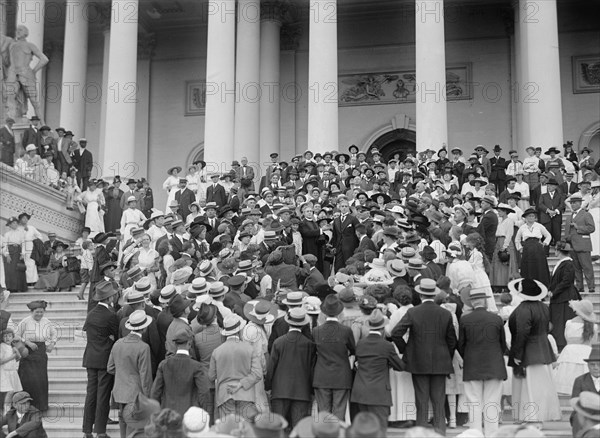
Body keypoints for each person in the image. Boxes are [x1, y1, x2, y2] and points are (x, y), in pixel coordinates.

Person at [391, 279, 457, 435]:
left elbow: (395, 333)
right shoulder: (445, 313)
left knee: (421, 402)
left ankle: (420, 433)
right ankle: (440, 433)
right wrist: (446, 355)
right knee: (439, 401)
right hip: (440, 360)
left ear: (420, 294)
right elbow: (452, 340)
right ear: (434, 295)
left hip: (418, 360)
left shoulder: (413, 312)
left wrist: (406, 350)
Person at [507, 278, 561, 425]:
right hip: (543, 348)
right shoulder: (543, 306)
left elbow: (522, 333)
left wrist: (517, 354)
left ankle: (531, 416)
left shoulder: (524, 309)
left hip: (529, 352)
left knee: (528, 386)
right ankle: (538, 416)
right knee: (541, 386)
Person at [458, 289, 507, 436]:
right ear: (485, 301)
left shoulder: (465, 319)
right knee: (492, 402)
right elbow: (502, 344)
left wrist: (468, 357)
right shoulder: (496, 319)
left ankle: (475, 434)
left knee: (474, 402)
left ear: (472, 302)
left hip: (473, 365)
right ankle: (492, 434)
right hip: (494, 364)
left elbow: (461, 345)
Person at [351, 309, 403, 431]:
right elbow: (400, 366)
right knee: (379, 429)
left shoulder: (361, 344)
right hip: (379, 393)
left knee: (364, 430)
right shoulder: (386, 346)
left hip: (360, 391)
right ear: (382, 327)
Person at [267, 307, 316, 429]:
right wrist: (311, 390)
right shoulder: (309, 345)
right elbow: (312, 370)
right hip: (302, 391)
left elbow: (271, 367)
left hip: (279, 390)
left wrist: (268, 386)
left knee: (277, 429)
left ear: (288, 322)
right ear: (304, 324)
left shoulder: (278, 342)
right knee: (298, 429)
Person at [82, 280, 119, 438]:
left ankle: (87, 431)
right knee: (103, 395)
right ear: (109, 298)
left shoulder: (91, 313)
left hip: (90, 357)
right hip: (104, 359)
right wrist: (109, 339)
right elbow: (116, 336)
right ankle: (100, 431)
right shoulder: (111, 315)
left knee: (91, 394)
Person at [107, 310, 153, 438]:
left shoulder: (118, 343)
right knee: (133, 433)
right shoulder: (143, 347)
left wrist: (123, 373)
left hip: (119, 393)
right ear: (143, 328)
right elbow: (145, 377)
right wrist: (148, 398)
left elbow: (110, 368)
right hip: (135, 395)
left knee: (123, 431)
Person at [208, 313, 261, 422]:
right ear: (240, 330)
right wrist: (240, 384)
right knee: (245, 430)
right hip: (246, 394)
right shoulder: (249, 349)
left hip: (225, 395)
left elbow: (211, 376)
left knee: (228, 430)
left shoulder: (217, 351)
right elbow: (257, 374)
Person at [312, 294, 356, 420]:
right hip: (341, 376)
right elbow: (353, 350)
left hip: (322, 376)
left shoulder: (316, 331)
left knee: (323, 414)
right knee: (339, 412)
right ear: (339, 312)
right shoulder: (346, 330)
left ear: (324, 312)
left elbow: (314, 351)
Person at [15, 300, 56, 412]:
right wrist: (27, 342)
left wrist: (52, 343)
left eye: (41, 312)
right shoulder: (25, 321)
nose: (39, 314)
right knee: (28, 380)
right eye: (37, 312)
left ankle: (41, 406)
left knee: (40, 379)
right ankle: (26, 405)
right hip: (28, 352)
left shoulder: (47, 321)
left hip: (41, 352)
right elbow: (16, 335)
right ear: (32, 311)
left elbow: (54, 333)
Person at [3, 25, 48, 119]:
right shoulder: (12, 45)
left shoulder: (30, 45)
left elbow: (44, 59)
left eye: (20, 30)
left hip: (26, 74)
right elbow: (7, 61)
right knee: (9, 96)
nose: (17, 32)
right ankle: (12, 119)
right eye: (17, 30)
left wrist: (34, 71)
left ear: (25, 33)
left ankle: (42, 123)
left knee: (34, 100)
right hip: (12, 74)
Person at [555, 300, 598, 395]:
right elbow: (593, 342)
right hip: (586, 352)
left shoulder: (569, 323)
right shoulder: (594, 327)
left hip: (569, 352)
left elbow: (566, 337)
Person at [240, 300, 276, 415]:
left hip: (245, 367)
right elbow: (260, 354)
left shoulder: (247, 327)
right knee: (260, 400)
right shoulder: (257, 331)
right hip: (256, 369)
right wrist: (265, 371)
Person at [549, 241, 581, 349]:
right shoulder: (562, 263)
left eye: (556, 249)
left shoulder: (568, 263)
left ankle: (562, 344)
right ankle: (559, 342)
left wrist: (554, 291)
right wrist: (550, 290)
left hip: (565, 296)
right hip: (560, 296)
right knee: (558, 320)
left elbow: (566, 281)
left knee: (562, 320)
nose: (555, 251)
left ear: (559, 251)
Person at [565, 194, 596, 293]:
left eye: (575, 203)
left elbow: (591, 228)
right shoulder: (570, 216)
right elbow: (567, 231)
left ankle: (591, 287)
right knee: (576, 268)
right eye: (571, 203)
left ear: (580, 203)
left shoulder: (586, 214)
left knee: (587, 267)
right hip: (572, 245)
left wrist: (578, 228)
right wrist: (566, 239)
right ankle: (579, 286)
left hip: (583, 245)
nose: (573, 205)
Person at [514, 207, 552, 286]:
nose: (531, 218)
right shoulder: (522, 227)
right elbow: (517, 239)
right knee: (528, 268)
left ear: (535, 218)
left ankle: (542, 287)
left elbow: (548, 235)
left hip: (538, 248)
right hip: (527, 248)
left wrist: (544, 243)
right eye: (529, 216)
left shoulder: (539, 226)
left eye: (532, 216)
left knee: (539, 267)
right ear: (525, 218)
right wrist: (520, 248)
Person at [570, 345, 600, 437]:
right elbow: (575, 401)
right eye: (592, 364)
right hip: (585, 412)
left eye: (599, 365)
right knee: (577, 416)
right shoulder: (580, 380)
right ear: (588, 366)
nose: (596, 367)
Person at [490, 203, 518, 290]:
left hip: (505, 241)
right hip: (498, 241)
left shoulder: (509, 221)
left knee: (505, 261)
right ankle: (498, 284)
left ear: (505, 212)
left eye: (500, 211)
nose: (498, 213)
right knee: (497, 263)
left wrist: (505, 246)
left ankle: (507, 284)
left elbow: (509, 234)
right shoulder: (500, 221)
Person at [332, 198, 360, 271]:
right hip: (339, 247)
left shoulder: (353, 219)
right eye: (342, 206)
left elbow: (358, 232)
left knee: (349, 265)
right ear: (339, 208)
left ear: (348, 208)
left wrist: (357, 246)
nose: (344, 208)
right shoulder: (336, 220)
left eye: (346, 206)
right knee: (338, 266)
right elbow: (335, 235)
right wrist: (334, 246)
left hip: (350, 246)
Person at [537, 177, 565, 250]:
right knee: (546, 235)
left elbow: (562, 205)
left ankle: (558, 251)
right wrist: (548, 211)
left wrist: (555, 211)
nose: (549, 187)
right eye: (548, 185)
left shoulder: (560, 195)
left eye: (551, 185)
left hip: (556, 218)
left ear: (555, 187)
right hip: (546, 218)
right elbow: (540, 205)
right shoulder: (543, 195)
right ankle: (545, 252)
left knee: (557, 235)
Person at [2, 217, 26, 292]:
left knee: (18, 269)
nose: (15, 225)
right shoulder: (7, 234)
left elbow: (23, 243)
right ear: (9, 225)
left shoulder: (21, 233)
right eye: (12, 223)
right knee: (10, 270)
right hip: (10, 252)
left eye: (16, 223)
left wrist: (23, 253)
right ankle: (11, 287)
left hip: (18, 252)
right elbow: (5, 245)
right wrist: (7, 255)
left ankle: (19, 287)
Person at [0, 328, 22, 410]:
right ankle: (6, 410)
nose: (7, 338)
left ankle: (8, 410)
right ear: (2, 338)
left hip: (12, 372)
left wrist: (17, 353)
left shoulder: (12, 347)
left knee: (12, 392)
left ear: (12, 337)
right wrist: (12, 356)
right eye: (5, 336)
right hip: (4, 372)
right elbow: (1, 361)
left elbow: (18, 358)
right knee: (10, 391)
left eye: (9, 336)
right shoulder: (2, 346)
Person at [476, 195, 498, 262]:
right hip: (489, 243)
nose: (481, 205)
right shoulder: (489, 214)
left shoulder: (489, 216)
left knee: (487, 263)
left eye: (483, 203)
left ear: (488, 204)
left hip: (487, 244)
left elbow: (481, 229)